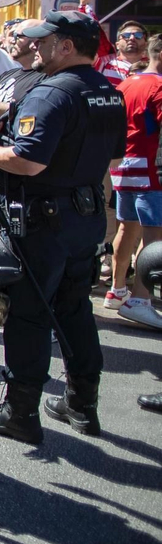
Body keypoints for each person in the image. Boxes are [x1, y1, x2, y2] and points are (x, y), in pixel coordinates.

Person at [0, 10, 124, 442]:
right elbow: (113, 157)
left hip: (45, 222)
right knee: (75, 308)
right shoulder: (107, 91)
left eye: (43, 40)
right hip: (85, 216)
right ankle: (81, 404)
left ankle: (20, 413)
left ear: (67, 46)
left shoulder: (52, 91)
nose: (35, 46)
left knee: (30, 314)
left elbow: (27, 160)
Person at [105, 34, 162, 328]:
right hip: (151, 170)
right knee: (154, 236)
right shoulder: (158, 86)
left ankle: (117, 290)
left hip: (124, 166)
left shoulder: (126, 83)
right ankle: (139, 299)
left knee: (127, 228)